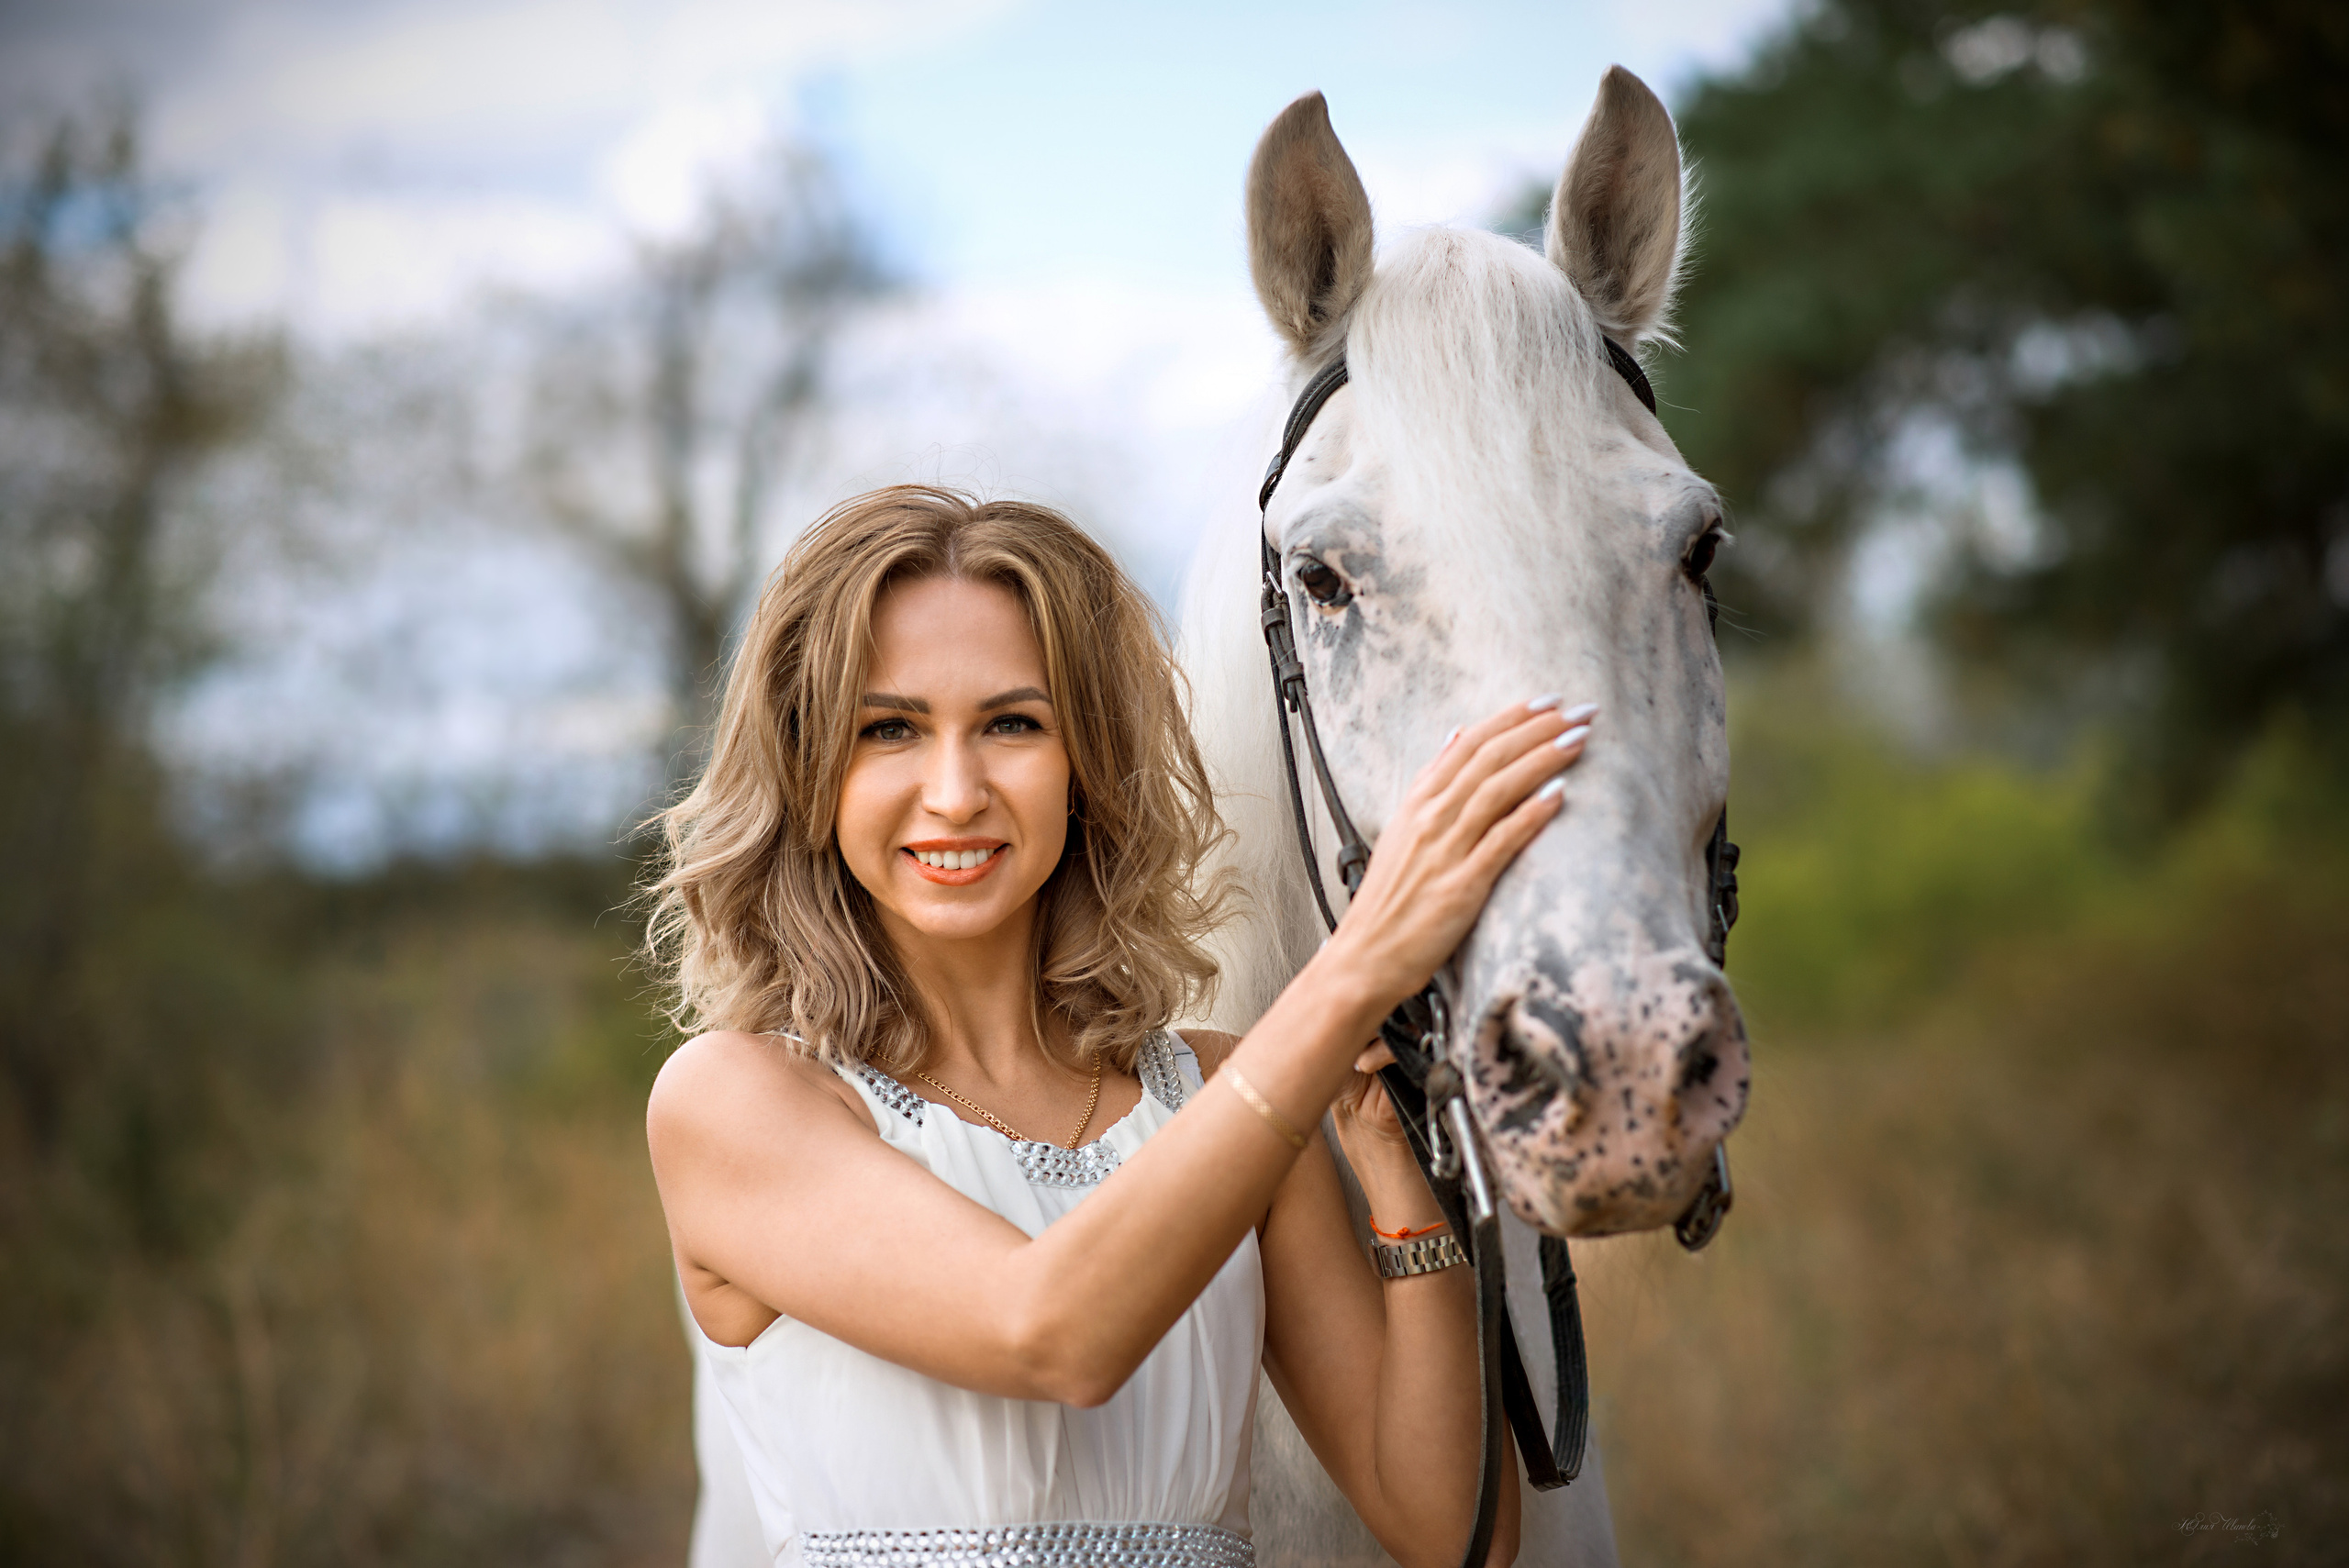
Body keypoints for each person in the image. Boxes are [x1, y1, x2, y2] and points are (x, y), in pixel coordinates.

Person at [642, 484, 1593, 1567]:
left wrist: (1389, 1168)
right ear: (809, 766)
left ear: (1085, 763)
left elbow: (1455, 1533)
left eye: (1013, 723)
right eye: (888, 728)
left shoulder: (1219, 1094)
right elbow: (1050, 1332)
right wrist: (1355, 967)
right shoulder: (736, 1098)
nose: (954, 792)